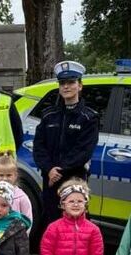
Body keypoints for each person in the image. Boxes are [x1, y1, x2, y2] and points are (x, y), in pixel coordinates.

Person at [32, 61, 99, 229]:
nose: (66, 87)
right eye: (62, 83)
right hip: (51, 181)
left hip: (74, 179)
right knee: (52, 224)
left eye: (71, 82)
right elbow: (39, 146)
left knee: (76, 225)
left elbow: (84, 150)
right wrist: (49, 169)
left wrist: (59, 170)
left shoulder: (88, 117)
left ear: (80, 85)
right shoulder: (48, 115)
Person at [0, 153, 32, 222]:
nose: (5, 178)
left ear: (15, 176)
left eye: (9, 175)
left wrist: (22, 232)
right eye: (1, 175)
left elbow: (28, 220)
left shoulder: (21, 197)